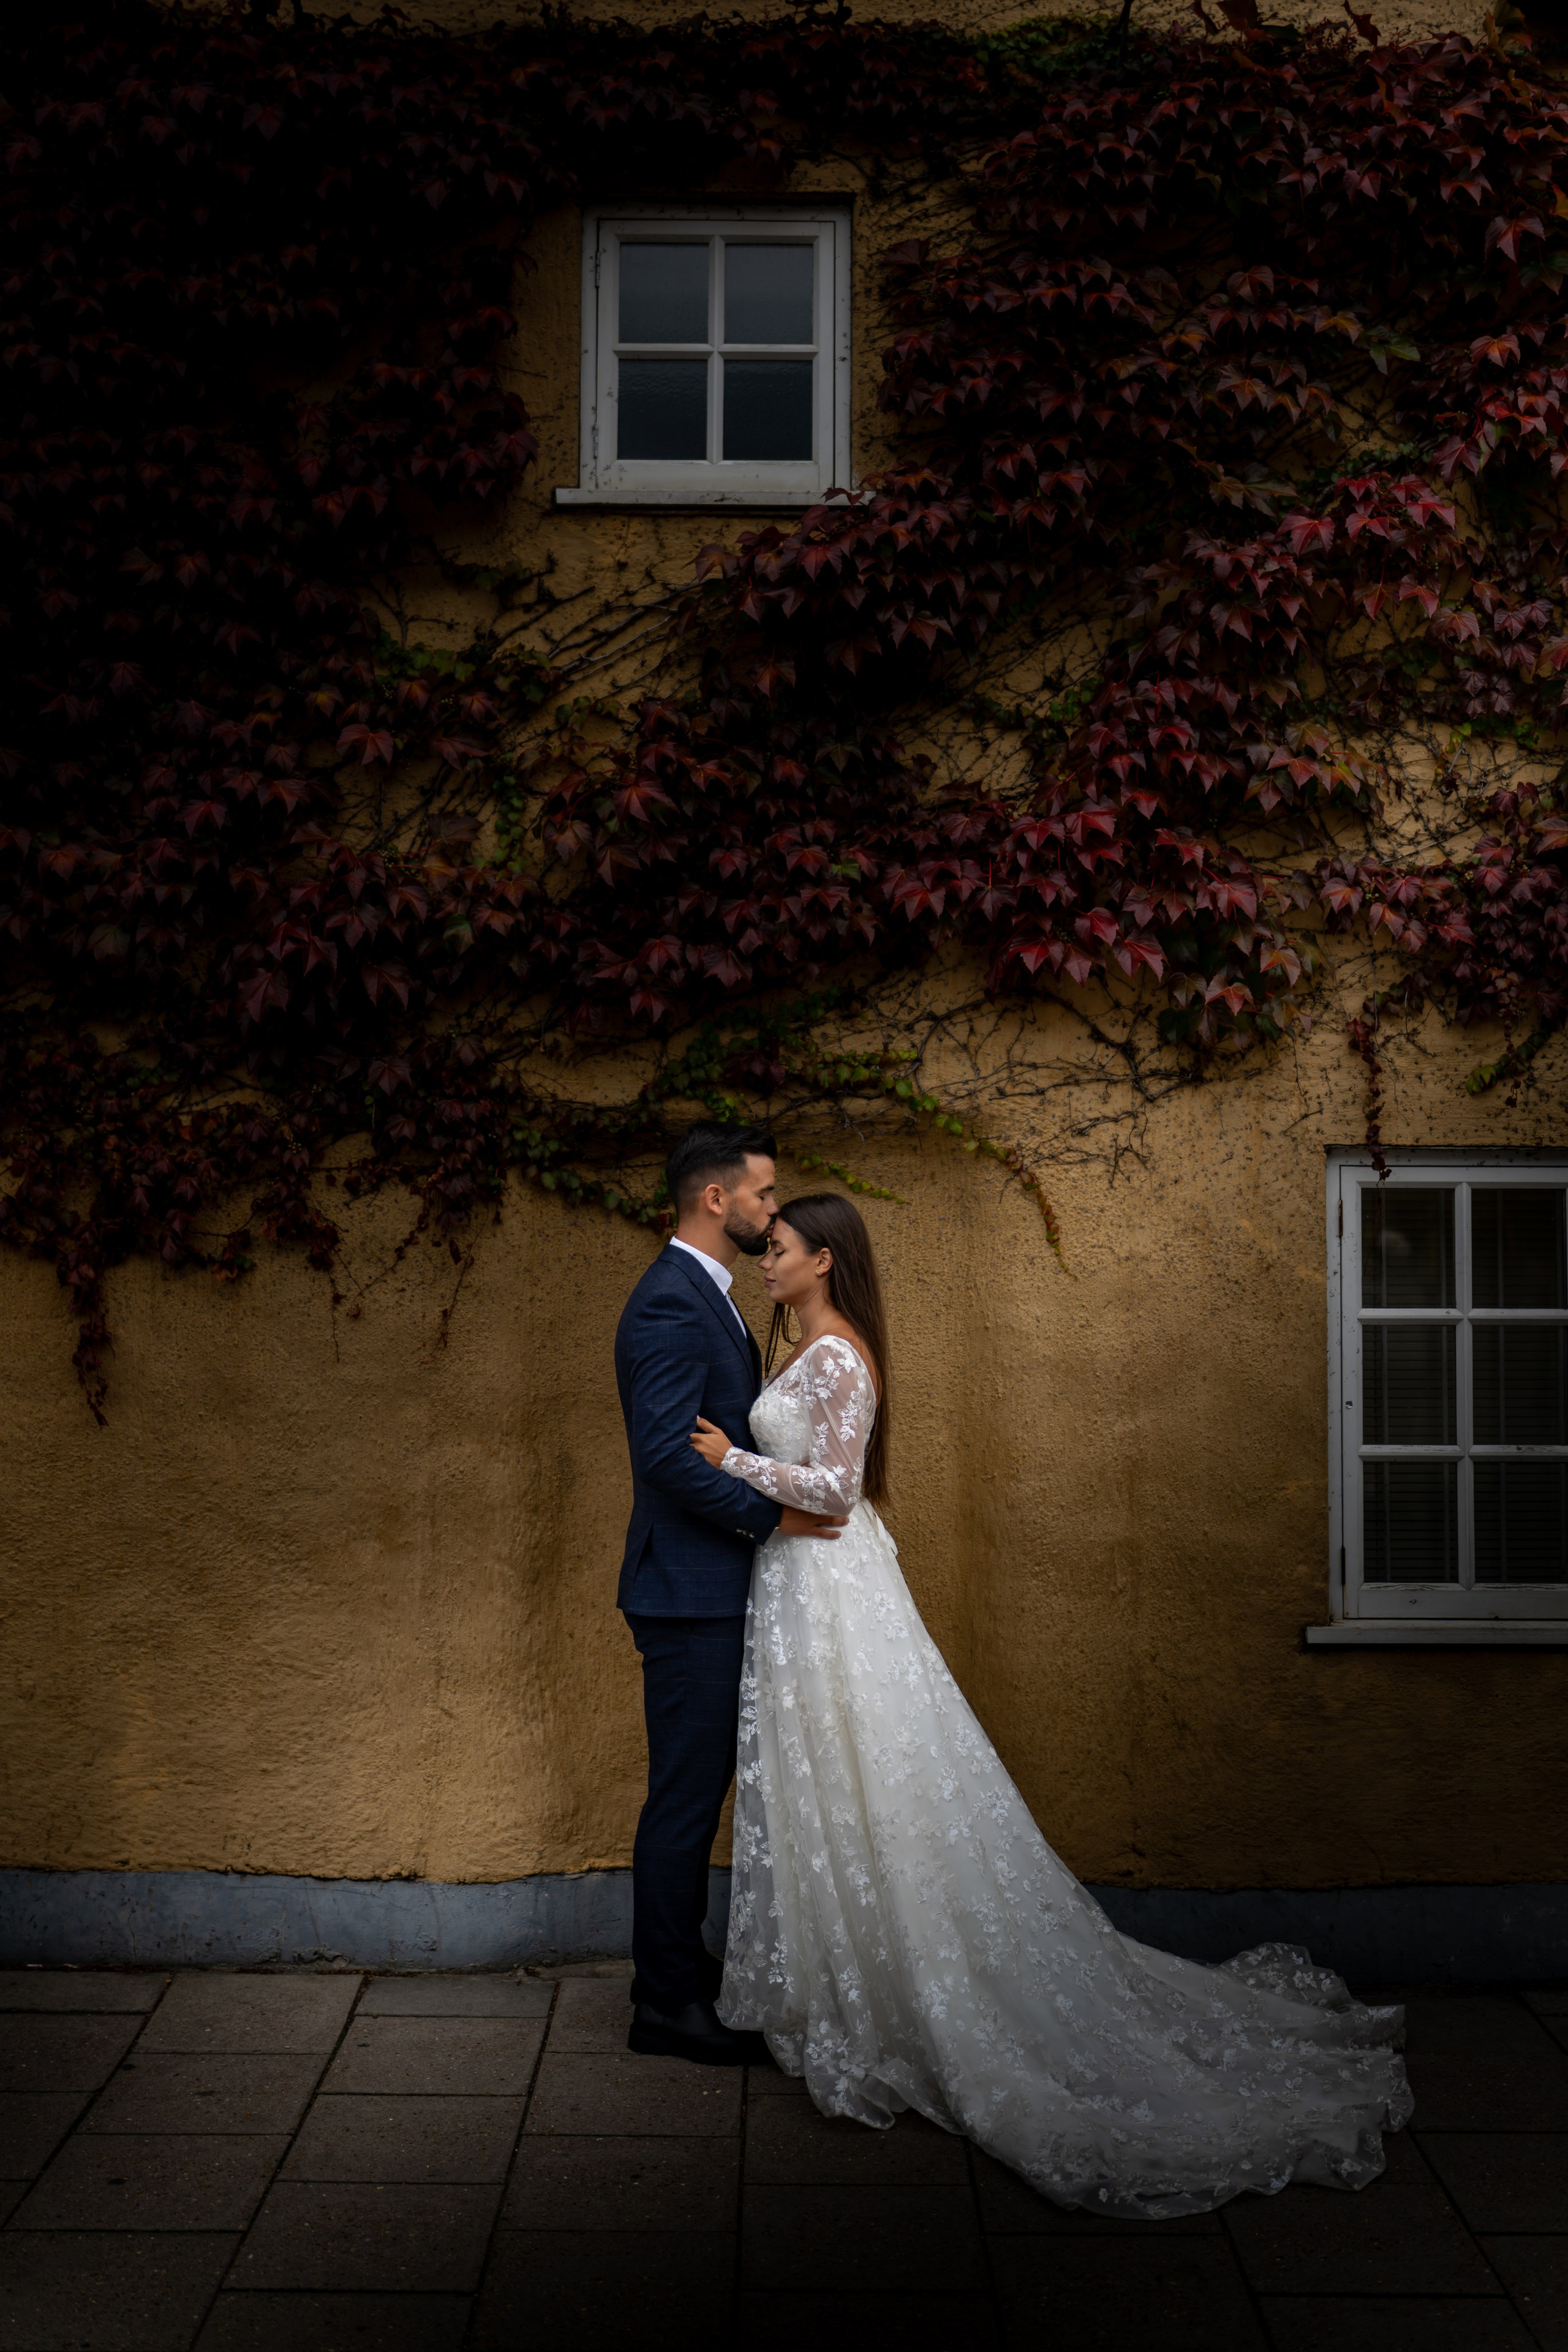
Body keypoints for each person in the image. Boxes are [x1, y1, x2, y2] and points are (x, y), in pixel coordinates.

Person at [689, 1193, 1413, 2217]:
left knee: (865, 1762)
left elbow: (839, 1490)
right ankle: (843, 1979)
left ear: (826, 1261)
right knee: (828, 1769)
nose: (767, 1260)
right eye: (767, 1248)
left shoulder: (841, 1354)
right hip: (802, 1583)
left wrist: (732, 1460)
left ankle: (910, 1991)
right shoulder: (808, 1344)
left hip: (831, 1585)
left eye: (781, 1249)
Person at [614, 1126, 848, 2067]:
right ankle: (665, 2003)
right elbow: (668, 1457)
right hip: (687, 1595)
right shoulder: (672, 1303)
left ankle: (681, 1970)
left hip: (708, 1588)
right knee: (684, 1797)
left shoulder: (704, 1295)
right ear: (716, 1198)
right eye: (764, 1193)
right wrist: (771, 1520)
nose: (773, 1209)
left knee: (697, 1789)